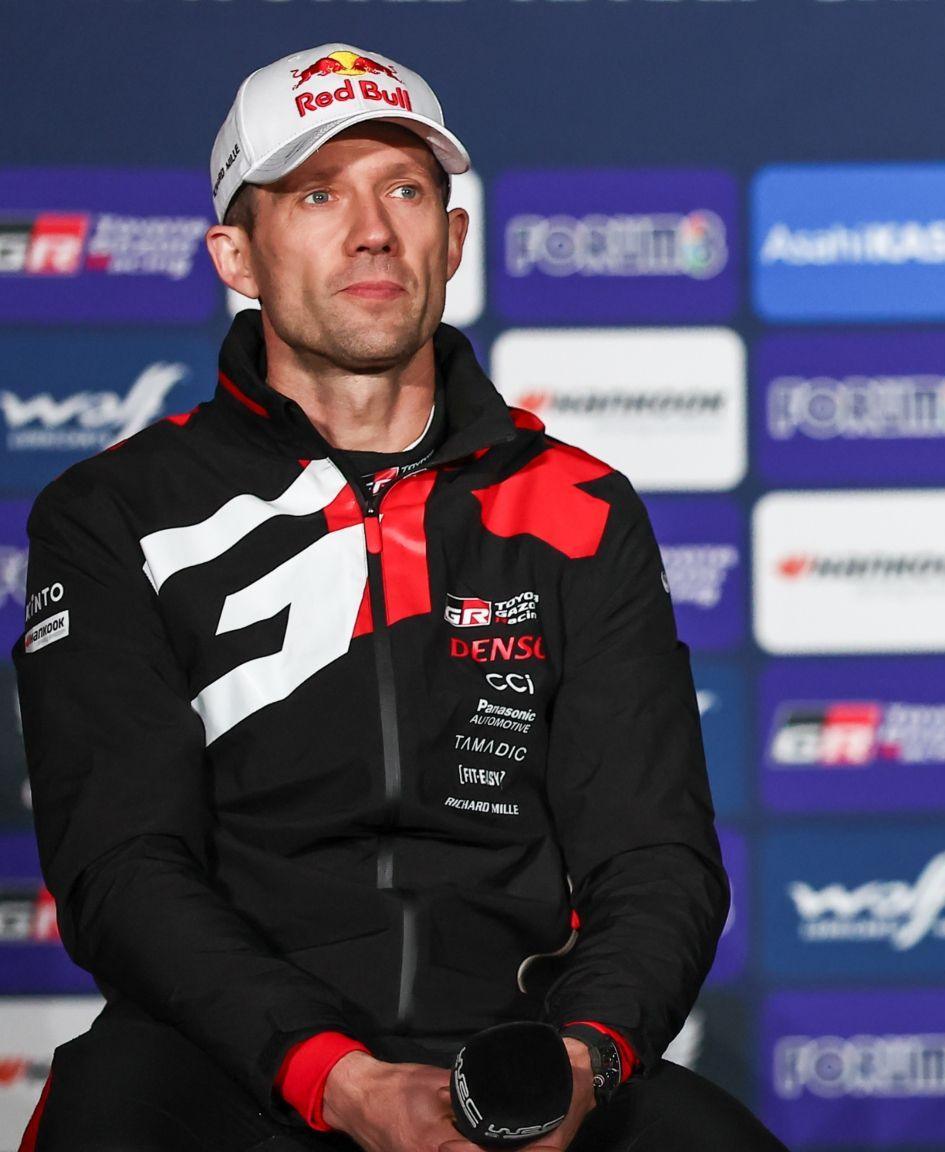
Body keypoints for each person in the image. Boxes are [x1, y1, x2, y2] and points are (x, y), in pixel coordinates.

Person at [14, 43, 785, 1152]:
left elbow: (653, 858)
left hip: (515, 1052)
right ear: (236, 253)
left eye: (406, 190)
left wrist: (578, 1058)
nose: (370, 228)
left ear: (453, 238)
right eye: (317, 193)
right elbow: (121, 868)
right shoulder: (115, 514)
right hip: (229, 1055)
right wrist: (336, 1077)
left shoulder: (577, 505)